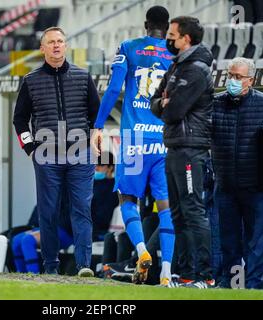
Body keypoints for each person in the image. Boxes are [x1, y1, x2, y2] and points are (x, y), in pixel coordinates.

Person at [90, 6, 175, 286]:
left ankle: (141, 251)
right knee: (165, 206)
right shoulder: (175, 54)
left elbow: (114, 89)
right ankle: (166, 272)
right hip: (164, 140)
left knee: (128, 200)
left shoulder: (128, 47)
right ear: (167, 26)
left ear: (145, 24)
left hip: (134, 140)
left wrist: (99, 125)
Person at [13, 27, 100, 277]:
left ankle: (84, 266)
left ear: (66, 45)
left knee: (82, 209)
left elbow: (97, 116)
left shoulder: (83, 77)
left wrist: (95, 137)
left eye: (60, 41)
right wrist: (30, 148)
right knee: (48, 212)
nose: (56, 46)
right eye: (51, 42)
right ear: (42, 48)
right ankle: (51, 267)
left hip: (80, 154)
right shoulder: (30, 80)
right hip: (47, 156)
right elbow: (20, 120)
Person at [211, 58, 263, 289]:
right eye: (230, 75)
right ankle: (234, 284)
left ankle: (254, 286)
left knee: (257, 242)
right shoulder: (215, 103)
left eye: (238, 77)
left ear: (251, 80)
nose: (232, 81)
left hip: (257, 187)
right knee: (229, 241)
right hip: (225, 186)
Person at [151, 16, 215, 288]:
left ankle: (205, 276)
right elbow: (154, 102)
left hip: (191, 148)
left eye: (172, 35)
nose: (169, 39)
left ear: (186, 39)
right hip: (175, 145)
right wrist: (165, 103)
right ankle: (186, 272)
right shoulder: (178, 65)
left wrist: (167, 103)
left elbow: (173, 111)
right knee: (177, 212)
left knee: (193, 210)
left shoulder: (196, 69)